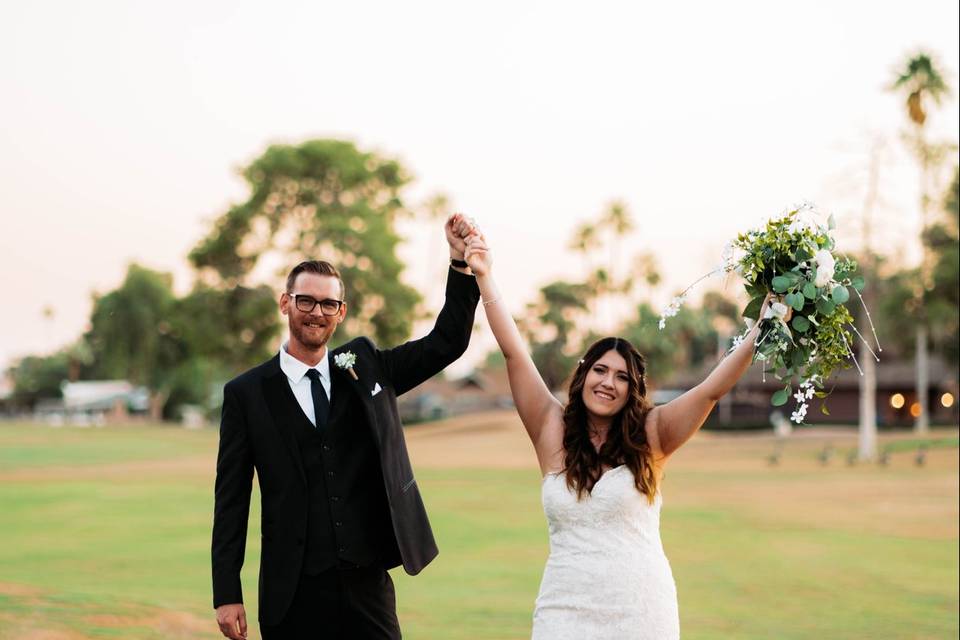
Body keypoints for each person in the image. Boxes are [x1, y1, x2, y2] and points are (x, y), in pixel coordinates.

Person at [459, 228, 779, 639]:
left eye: (622, 377)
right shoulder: (549, 426)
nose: (608, 382)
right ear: (583, 374)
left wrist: (762, 327)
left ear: (633, 390)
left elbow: (711, 390)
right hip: (564, 611)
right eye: (600, 370)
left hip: (640, 610)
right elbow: (514, 351)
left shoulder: (653, 434)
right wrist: (484, 275)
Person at [212, 214, 480, 640]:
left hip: (366, 586)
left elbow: (447, 342)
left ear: (341, 312)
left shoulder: (367, 367)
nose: (316, 313)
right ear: (285, 303)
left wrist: (459, 264)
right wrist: (226, 591)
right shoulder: (246, 393)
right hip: (292, 593)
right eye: (306, 301)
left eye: (328, 304)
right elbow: (231, 499)